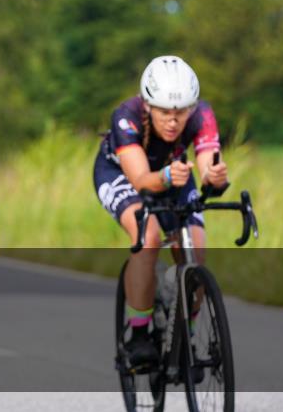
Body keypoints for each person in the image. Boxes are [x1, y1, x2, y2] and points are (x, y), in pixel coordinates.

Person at [93, 55, 228, 365]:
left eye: (181, 113)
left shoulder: (202, 113)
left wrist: (215, 176)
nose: (173, 121)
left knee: (195, 247)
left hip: (174, 172)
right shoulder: (126, 115)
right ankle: (138, 334)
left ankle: (188, 336)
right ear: (148, 105)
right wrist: (167, 177)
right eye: (164, 112)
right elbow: (141, 179)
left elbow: (208, 162)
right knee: (149, 236)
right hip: (122, 174)